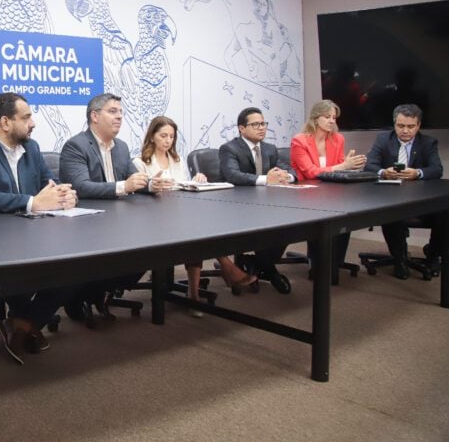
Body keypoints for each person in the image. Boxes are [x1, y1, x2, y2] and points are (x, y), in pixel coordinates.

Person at [0, 92, 76, 364]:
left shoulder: (31, 148)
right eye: (26, 117)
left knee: (75, 266)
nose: (33, 123)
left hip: (33, 232)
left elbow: (49, 184)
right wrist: (33, 202)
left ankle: (21, 324)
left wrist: (63, 194)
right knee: (16, 270)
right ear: (5, 122)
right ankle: (28, 324)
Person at [134, 116, 258, 313]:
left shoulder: (177, 159)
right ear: (152, 137)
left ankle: (195, 292)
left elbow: (183, 185)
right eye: (163, 135)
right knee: (195, 233)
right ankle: (218, 275)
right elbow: (138, 192)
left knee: (198, 231)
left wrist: (196, 180)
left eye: (172, 137)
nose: (168, 141)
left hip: (178, 214)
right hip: (153, 218)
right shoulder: (140, 162)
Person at [58, 93, 150, 323]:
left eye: (120, 112)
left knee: (150, 248)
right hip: (88, 220)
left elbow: (132, 179)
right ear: (94, 116)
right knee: (105, 254)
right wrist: (124, 186)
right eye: (112, 111)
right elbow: (81, 187)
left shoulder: (121, 147)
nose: (119, 116)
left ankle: (103, 292)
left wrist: (150, 183)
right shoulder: (76, 145)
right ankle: (83, 297)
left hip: (118, 217)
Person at [218, 107, 296, 294]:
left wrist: (287, 177)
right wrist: (266, 180)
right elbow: (233, 175)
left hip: (268, 204)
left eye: (263, 124)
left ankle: (257, 264)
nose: (261, 128)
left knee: (288, 225)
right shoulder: (229, 148)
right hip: (239, 206)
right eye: (255, 124)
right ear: (241, 128)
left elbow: (290, 170)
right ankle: (270, 270)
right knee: (268, 227)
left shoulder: (269, 149)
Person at [364, 103, 445, 279]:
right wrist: (384, 172)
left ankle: (433, 256)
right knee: (391, 212)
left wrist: (417, 173)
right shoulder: (383, 139)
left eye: (410, 126)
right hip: (391, 197)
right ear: (394, 124)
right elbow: (369, 165)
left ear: (418, 125)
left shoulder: (428, 142)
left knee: (444, 212)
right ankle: (399, 259)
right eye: (401, 126)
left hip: (421, 199)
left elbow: (437, 169)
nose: (405, 131)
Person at [290, 100, 366, 271]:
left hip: (332, 191)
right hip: (306, 193)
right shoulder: (300, 140)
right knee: (324, 217)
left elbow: (338, 170)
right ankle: (318, 264)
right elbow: (310, 172)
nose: (332, 121)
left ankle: (335, 262)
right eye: (327, 117)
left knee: (347, 214)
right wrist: (342, 166)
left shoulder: (338, 139)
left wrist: (349, 164)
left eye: (334, 117)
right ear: (315, 119)